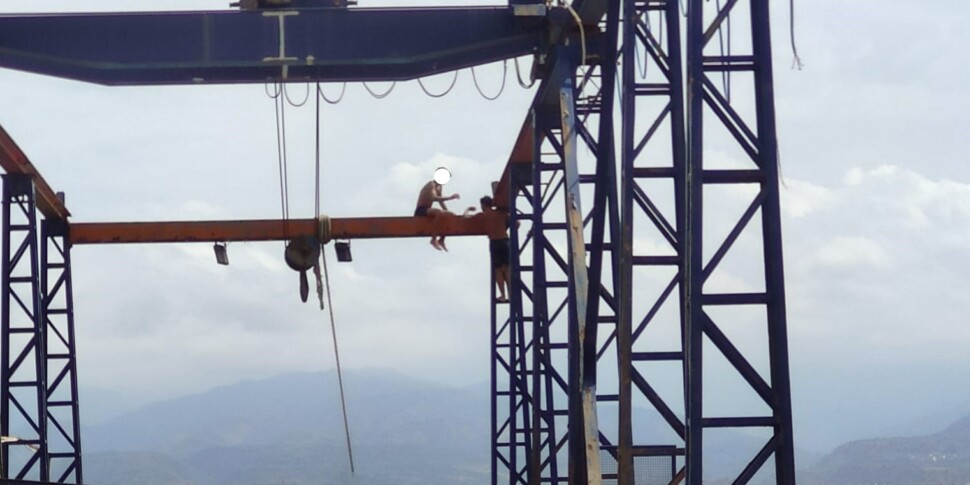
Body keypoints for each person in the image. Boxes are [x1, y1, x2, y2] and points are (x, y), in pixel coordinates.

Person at [415, 172, 460, 251]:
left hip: (428, 210)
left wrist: (447, 211)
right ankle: (433, 239)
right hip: (421, 210)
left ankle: (441, 239)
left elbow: (440, 200)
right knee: (439, 212)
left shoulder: (439, 186)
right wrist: (450, 198)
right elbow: (434, 198)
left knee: (450, 215)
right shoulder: (431, 184)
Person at [478, 196, 511, 303]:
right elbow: (517, 223)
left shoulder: (484, 215)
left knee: (498, 270)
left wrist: (468, 209)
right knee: (507, 268)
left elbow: (466, 218)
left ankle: (503, 295)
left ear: (483, 205)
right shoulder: (501, 213)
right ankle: (511, 294)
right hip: (505, 241)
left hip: (495, 242)